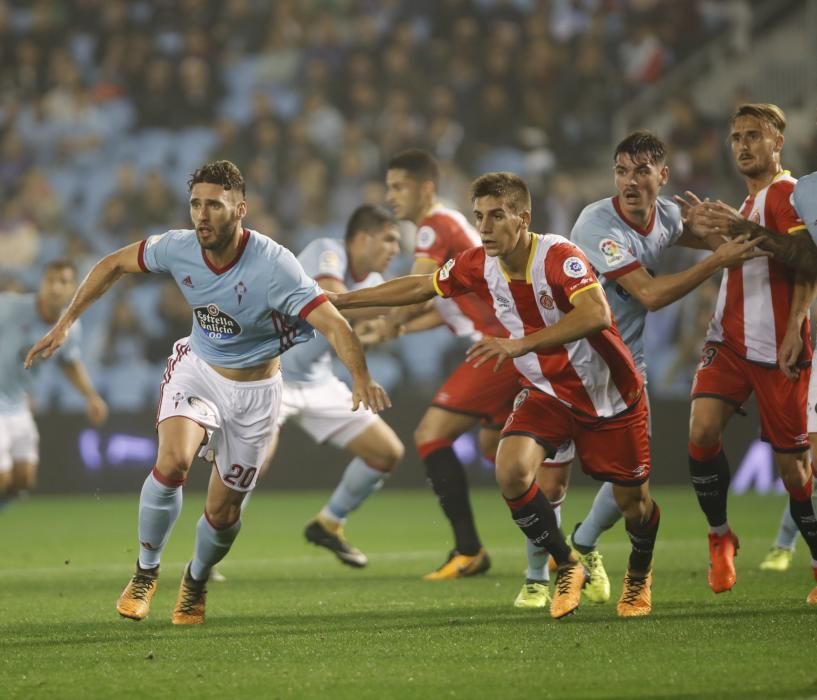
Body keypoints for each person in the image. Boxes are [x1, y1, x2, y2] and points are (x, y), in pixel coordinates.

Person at [25, 160, 389, 625]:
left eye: (213, 205)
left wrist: (359, 376)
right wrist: (66, 322)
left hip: (256, 395)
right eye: (195, 204)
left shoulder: (275, 264)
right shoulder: (178, 247)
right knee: (171, 462)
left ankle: (195, 580)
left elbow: (335, 324)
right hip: (197, 371)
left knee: (223, 511)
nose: (201, 215)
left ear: (241, 209)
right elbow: (113, 263)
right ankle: (145, 572)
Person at [333, 171, 662, 619]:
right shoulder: (476, 263)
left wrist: (519, 345)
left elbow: (597, 313)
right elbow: (418, 286)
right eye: (479, 217)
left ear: (523, 218)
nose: (485, 228)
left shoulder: (559, 257)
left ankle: (639, 574)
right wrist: (342, 301)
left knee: (635, 505)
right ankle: (567, 565)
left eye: (497, 216)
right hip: (547, 392)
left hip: (609, 395)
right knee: (511, 471)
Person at [525, 131, 767, 607]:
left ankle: (586, 544)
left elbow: (734, 242)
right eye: (621, 171)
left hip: (623, 370)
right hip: (568, 366)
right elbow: (650, 295)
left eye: (640, 171)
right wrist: (718, 257)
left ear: (664, 176)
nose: (630, 182)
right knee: (547, 481)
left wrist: (727, 224)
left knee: (631, 488)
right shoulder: (596, 225)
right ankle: (536, 577)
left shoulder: (669, 218)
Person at [374, 149, 542, 581]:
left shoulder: (435, 225)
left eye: (398, 187)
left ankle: (469, 549)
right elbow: (451, 306)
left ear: (425, 188)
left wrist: (383, 319)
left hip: (497, 348)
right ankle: (559, 548)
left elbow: (418, 288)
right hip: (501, 343)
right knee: (495, 452)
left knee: (430, 435)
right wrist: (397, 329)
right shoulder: (452, 226)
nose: (390, 196)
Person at [678, 104, 817, 601]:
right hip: (729, 341)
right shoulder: (751, 200)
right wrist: (703, 231)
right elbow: (753, 252)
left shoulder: (787, 193)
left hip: (776, 347)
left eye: (754, 136)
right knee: (701, 431)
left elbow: (808, 259)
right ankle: (720, 535)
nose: (742, 144)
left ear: (777, 143)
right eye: (736, 136)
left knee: (794, 472)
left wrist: (797, 325)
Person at [273, 204, 405, 567]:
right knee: (251, 463)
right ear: (363, 238)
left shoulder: (374, 283)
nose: (396, 248)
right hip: (271, 375)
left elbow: (352, 329)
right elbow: (333, 299)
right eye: (389, 238)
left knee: (386, 453)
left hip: (316, 379)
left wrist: (378, 328)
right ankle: (207, 561)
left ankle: (329, 524)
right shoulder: (325, 250)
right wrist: (401, 303)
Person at [0, 259, 108, 506]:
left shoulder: (70, 328)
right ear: (41, 284)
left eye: (64, 282)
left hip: (18, 405)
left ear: (73, 290)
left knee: (23, 480)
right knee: (1, 479)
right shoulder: (10, 307)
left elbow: (69, 362)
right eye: (50, 281)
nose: (56, 288)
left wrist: (90, 396)